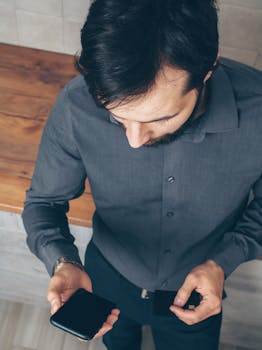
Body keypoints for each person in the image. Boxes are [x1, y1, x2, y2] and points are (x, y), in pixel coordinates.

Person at [21, 0, 262, 349]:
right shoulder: (76, 104)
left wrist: (224, 260)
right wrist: (62, 260)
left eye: (160, 119)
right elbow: (44, 201)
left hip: (199, 286)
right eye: (117, 118)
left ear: (207, 69)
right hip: (103, 276)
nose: (134, 141)